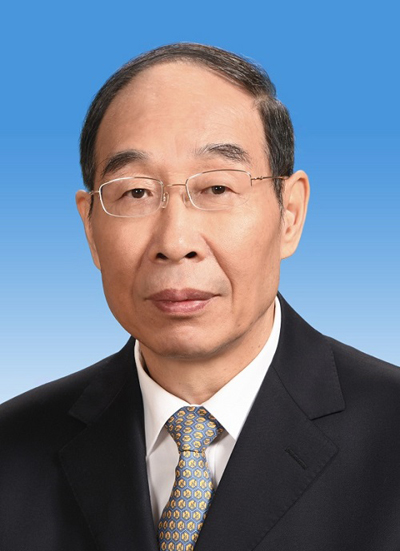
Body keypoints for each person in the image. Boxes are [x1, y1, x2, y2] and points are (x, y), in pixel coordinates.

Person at [0, 43, 399, 551]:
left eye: (216, 189)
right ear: (90, 228)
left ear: (290, 214)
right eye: (136, 193)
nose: (175, 242)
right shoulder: (11, 450)